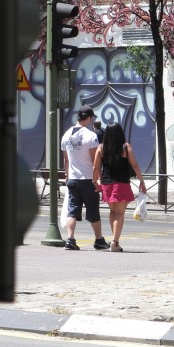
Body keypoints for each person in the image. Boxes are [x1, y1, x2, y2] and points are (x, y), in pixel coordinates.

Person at [92, 123, 147, 252]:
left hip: (106, 183)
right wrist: (141, 181)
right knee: (120, 213)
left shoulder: (101, 148)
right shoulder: (125, 147)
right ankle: (115, 242)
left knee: (112, 212)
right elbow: (134, 165)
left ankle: (115, 240)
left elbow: (95, 167)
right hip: (121, 183)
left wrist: (95, 181)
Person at [60, 105, 109, 251]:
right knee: (93, 210)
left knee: (72, 210)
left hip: (73, 179)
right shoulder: (90, 136)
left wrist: (68, 175)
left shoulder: (66, 135)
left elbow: (66, 159)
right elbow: (95, 160)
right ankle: (99, 239)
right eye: (91, 118)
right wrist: (97, 179)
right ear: (88, 118)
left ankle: (70, 239)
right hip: (88, 178)